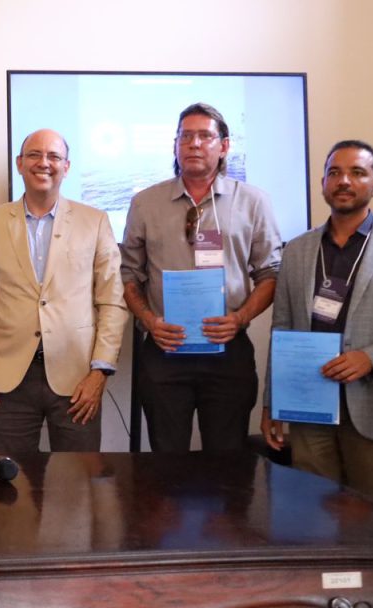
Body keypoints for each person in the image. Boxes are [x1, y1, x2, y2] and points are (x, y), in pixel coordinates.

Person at [262, 140, 373, 503]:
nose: (344, 181)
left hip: (371, 406)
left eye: (357, 172)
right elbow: (282, 327)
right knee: (311, 513)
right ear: (323, 182)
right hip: (308, 406)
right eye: (334, 172)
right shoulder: (297, 249)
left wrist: (372, 359)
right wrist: (272, 403)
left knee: (368, 517)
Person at [120, 103, 281, 453]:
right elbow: (128, 275)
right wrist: (148, 320)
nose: (194, 143)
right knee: (167, 461)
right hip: (165, 350)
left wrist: (240, 318)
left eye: (205, 136)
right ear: (176, 144)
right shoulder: (145, 203)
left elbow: (270, 274)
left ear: (223, 146)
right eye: (186, 136)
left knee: (227, 463)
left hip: (228, 351)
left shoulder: (253, 202)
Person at [0, 129, 128, 452]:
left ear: (67, 167)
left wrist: (100, 371)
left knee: (75, 489)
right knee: (8, 489)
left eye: (54, 156)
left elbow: (112, 301)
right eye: (34, 155)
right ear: (19, 163)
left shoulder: (95, 222)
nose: (44, 163)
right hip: (7, 379)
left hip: (78, 379)